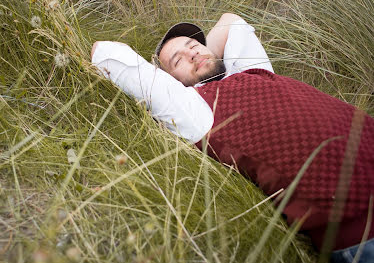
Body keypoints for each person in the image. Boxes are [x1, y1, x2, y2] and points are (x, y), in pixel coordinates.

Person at [91, 13, 374, 263]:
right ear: (171, 83)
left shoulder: (255, 71)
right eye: (178, 60)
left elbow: (231, 22)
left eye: (194, 45)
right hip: (362, 225)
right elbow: (106, 54)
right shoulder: (195, 111)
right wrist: (182, 80)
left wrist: (202, 58)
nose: (192, 53)